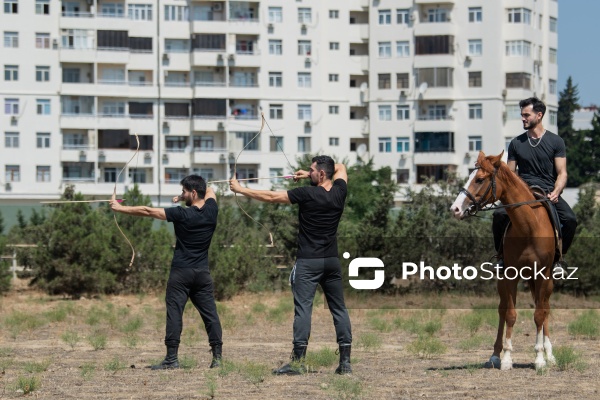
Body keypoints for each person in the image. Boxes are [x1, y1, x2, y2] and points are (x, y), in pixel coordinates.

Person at [229, 155, 353, 375]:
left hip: (308, 262)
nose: (308, 172)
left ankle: (297, 363)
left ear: (321, 174)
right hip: (331, 261)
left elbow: (270, 197)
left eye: (312, 170)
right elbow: (341, 167)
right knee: (339, 309)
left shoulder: (306, 194)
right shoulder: (339, 191)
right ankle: (345, 363)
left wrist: (241, 189)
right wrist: (310, 174)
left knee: (303, 310)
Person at [110, 175, 223, 370]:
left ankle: (171, 359)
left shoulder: (182, 214)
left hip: (181, 273)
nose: (182, 194)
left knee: (174, 314)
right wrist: (186, 196)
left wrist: (119, 208)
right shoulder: (212, 210)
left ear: (193, 193)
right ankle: (218, 359)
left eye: (184, 191)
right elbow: (210, 192)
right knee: (210, 315)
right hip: (202, 273)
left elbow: (147, 210)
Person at [493, 97, 577, 267]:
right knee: (498, 215)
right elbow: (510, 174)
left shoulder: (556, 141)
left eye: (526, 115)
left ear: (539, 115)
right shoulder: (516, 143)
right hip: (523, 192)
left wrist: (556, 192)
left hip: (547, 192)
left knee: (570, 219)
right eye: (522, 115)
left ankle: (558, 259)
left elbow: (562, 173)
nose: (523, 118)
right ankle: (501, 257)